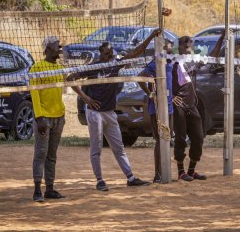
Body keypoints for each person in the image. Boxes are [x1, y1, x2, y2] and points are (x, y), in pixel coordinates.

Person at [67, 29, 161, 191]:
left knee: (118, 147)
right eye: (106, 54)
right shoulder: (93, 67)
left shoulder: (115, 64)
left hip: (110, 112)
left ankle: (130, 177)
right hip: (94, 113)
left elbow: (136, 52)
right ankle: (99, 180)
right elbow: (69, 79)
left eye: (111, 53)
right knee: (96, 148)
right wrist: (86, 98)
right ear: (100, 55)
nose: (110, 56)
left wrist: (152, 36)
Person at [172, 30, 226, 181]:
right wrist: (170, 96)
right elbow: (159, 80)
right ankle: (180, 172)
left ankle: (191, 170)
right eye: (186, 42)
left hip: (191, 104)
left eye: (191, 43)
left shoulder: (193, 60)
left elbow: (212, 56)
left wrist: (222, 38)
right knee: (180, 138)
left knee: (198, 137)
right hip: (179, 105)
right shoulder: (171, 62)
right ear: (179, 46)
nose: (190, 45)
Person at [30, 36, 66, 202]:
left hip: (59, 117)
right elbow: (35, 95)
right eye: (56, 45)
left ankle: (49, 189)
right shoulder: (37, 68)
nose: (59, 47)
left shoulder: (59, 68)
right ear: (47, 49)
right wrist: (39, 118)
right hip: (44, 118)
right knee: (41, 153)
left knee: (52, 155)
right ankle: (37, 190)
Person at [138, 39, 174, 183]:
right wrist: (150, 94)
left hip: (169, 107)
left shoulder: (169, 62)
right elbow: (141, 78)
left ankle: (165, 172)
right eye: (169, 48)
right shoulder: (155, 63)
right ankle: (158, 174)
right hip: (157, 108)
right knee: (160, 140)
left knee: (167, 138)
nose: (172, 50)